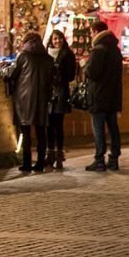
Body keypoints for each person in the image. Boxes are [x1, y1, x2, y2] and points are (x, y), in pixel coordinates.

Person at [4, 32, 54, 172]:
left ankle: (26, 163)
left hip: (24, 100)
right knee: (41, 132)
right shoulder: (48, 59)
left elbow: (11, 73)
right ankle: (39, 163)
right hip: (42, 98)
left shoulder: (23, 56)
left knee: (25, 132)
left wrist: (3, 68)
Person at [84, 21, 123, 172]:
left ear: (95, 32)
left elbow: (92, 73)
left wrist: (84, 66)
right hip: (113, 96)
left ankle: (99, 159)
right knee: (113, 128)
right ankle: (114, 158)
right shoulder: (115, 50)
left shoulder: (98, 50)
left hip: (99, 96)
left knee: (98, 128)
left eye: (91, 32)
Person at [46, 30, 77, 169]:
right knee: (48, 125)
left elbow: (71, 75)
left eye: (59, 38)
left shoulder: (68, 54)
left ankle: (59, 153)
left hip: (61, 92)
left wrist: (60, 71)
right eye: (55, 39)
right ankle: (50, 152)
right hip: (47, 93)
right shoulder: (45, 54)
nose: (57, 41)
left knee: (58, 124)